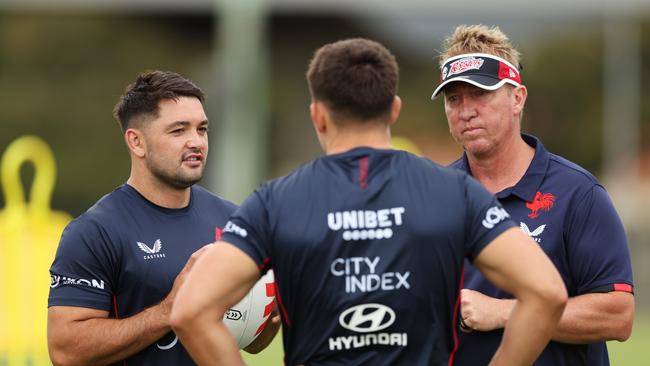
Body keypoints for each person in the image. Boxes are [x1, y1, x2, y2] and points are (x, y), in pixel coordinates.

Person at [169, 38, 567, 366]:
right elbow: (547, 293)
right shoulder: (456, 192)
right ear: (393, 109)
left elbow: (190, 310)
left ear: (317, 116)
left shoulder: (274, 202)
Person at [430, 24, 635, 365]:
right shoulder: (434, 195)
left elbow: (617, 316)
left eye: (481, 93)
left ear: (517, 98)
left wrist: (505, 312)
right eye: (454, 99)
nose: (466, 110)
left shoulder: (578, 193)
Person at [47, 70, 278, 365]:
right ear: (137, 142)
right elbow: (66, 351)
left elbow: (251, 341)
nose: (196, 142)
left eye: (202, 129)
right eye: (178, 130)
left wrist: (270, 312)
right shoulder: (94, 232)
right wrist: (168, 312)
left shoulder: (235, 220)